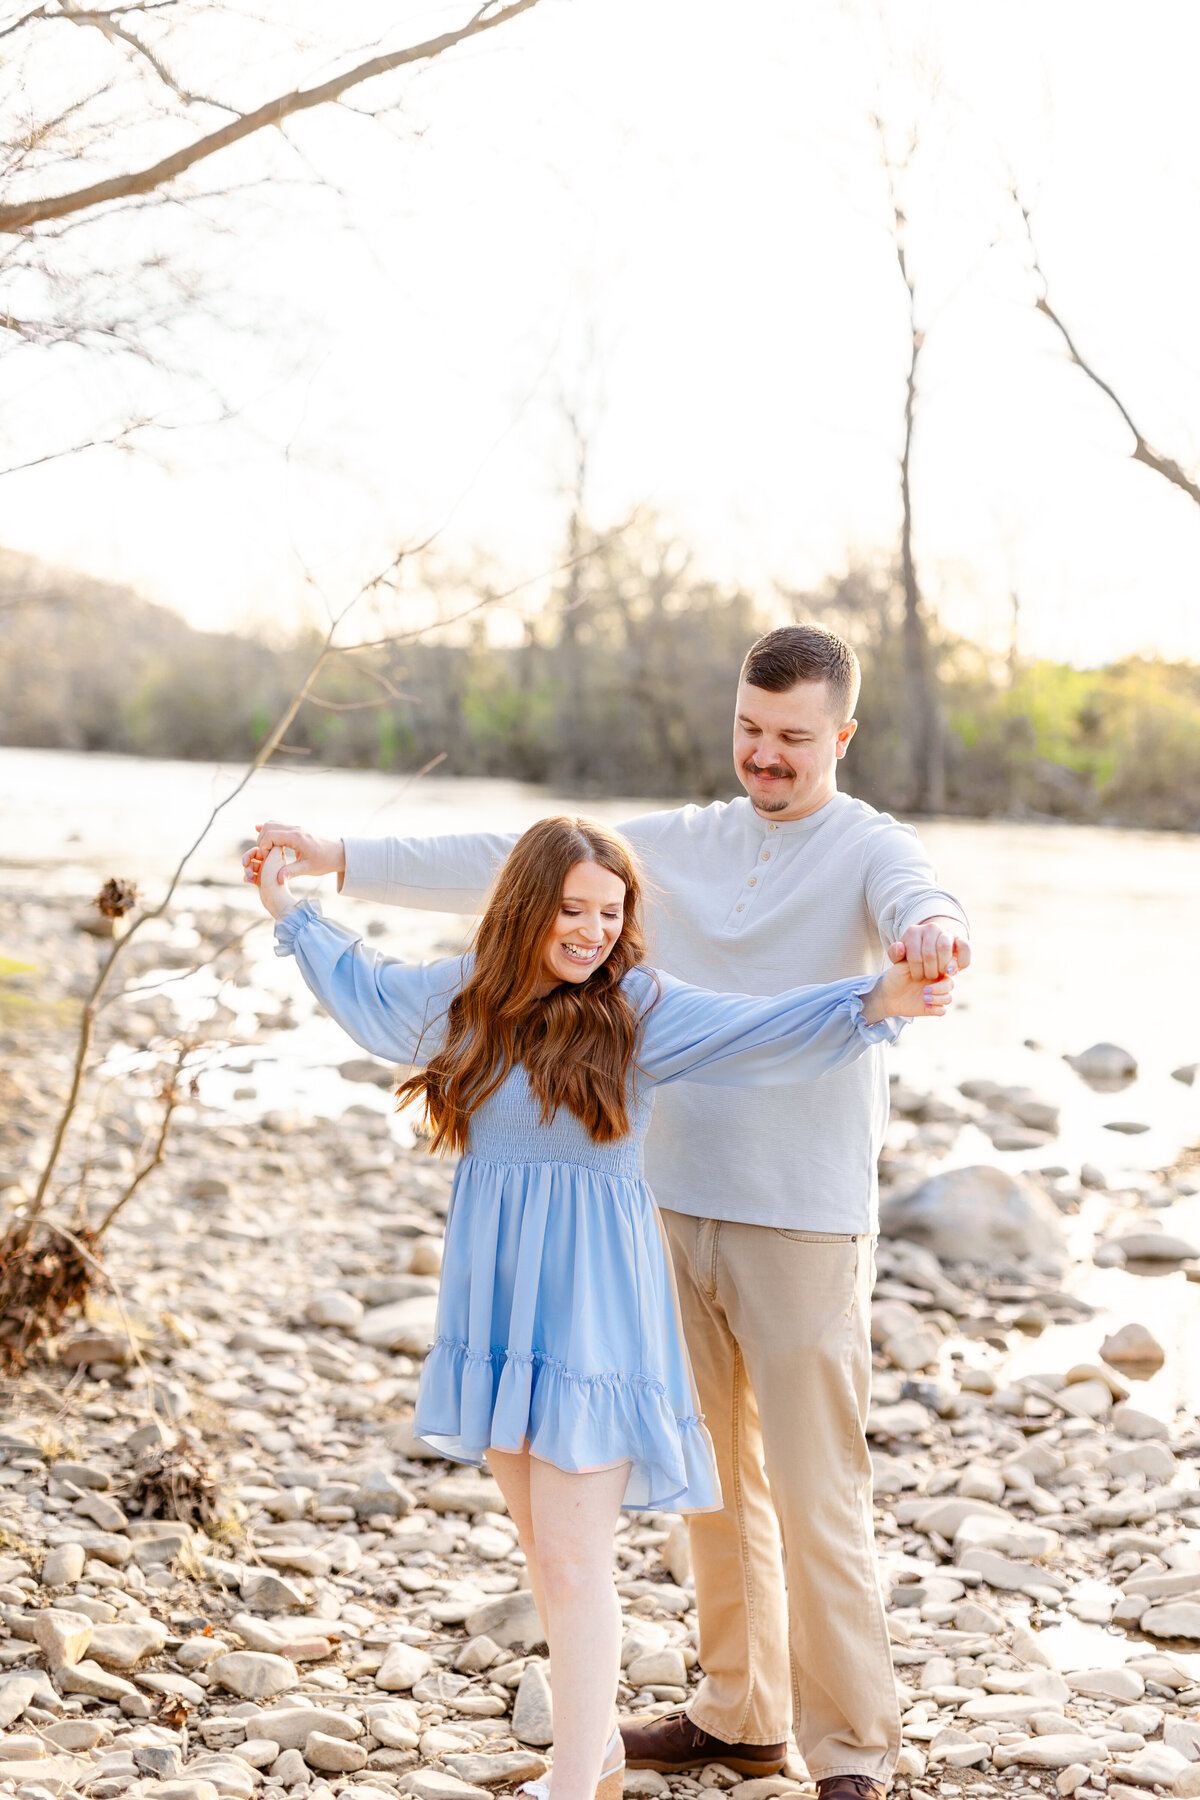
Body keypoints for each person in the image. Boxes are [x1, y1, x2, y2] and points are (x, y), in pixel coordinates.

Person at [246, 623, 971, 1800]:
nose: (766, 755)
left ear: (841, 735)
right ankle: (739, 1714)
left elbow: (916, 899)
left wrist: (930, 939)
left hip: (797, 1212)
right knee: (708, 1489)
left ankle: (852, 1755)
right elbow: (520, 859)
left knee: (813, 1487)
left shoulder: (867, 845)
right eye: (749, 729)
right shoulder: (676, 844)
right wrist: (337, 855)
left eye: (793, 738)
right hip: (654, 1202)